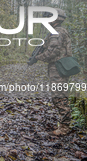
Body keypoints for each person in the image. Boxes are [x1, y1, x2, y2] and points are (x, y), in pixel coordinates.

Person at [29, 8, 73, 136]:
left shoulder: (57, 32)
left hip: (59, 68)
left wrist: (37, 58)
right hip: (59, 68)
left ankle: (64, 127)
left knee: (59, 97)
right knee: (59, 96)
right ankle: (64, 124)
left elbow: (53, 52)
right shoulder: (56, 31)